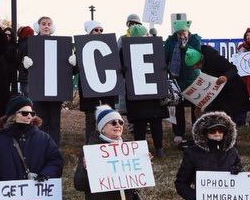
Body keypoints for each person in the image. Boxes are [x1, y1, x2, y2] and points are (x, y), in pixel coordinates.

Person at [122, 24, 168, 158]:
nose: (148, 36)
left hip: (141, 92)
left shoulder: (124, 50)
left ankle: (151, 149)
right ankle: (153, 149)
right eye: (146, 34)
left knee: (145, 123)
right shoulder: (154, 48)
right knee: (147, 122)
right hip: (147, 91)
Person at [22, 16, 64, 145]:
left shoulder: (60, 44)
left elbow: (67, 70)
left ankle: (54, 146)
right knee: (41, 120)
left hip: (55, 89)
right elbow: (21, 64)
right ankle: (40, 145)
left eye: (49, 24)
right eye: (44, 24)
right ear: (38, 26)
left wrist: (71, 63)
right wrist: (25, 64)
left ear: (52, 27)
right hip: (39, 88)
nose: (46, 26)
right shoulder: (30, 43)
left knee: (55, 121)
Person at [77, 19, 119, 141]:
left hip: (106, 84)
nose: (99, 32)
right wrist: (74, 60)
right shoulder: (81, 46)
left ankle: (110, 139)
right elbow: (76, 69)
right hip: (89, 86)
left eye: (101, 30)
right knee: (91, 117)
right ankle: (90, 142)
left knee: (109, 115)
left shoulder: (108, 45)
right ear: (90, 32)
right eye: (96, 30)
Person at [163, 15, 203, 145]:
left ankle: (196, 131)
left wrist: (185, 47)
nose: (181, 35)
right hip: (176, 79)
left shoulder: (195, 40)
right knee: (177, 107)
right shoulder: (170, 42)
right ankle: (178, 133)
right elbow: (165, 58)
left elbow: (197, 56)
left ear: (187, 31)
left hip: (193, 78)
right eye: (179, 33)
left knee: (195, 107)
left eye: (183, 33)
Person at [183, 45, 248, 121]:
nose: (195, 68)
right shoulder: (204, 67)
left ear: (201, 60)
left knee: (236, 119)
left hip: (235, 90)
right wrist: (199, 105)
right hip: (222, 94)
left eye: (196, 65)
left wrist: (225, 77)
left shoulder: (216, 59)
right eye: (192, 67)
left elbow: (233, 69)